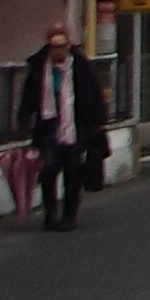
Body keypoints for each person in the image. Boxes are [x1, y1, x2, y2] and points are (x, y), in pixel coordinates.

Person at [21, 21, 106, 230]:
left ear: (69, 45)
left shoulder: (81, 67)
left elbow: (94, 96)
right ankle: (50, 214)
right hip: (48, 129)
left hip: (75, 128)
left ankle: (69, 215)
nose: (58, 50)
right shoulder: (39, 68)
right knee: (48, 171)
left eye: (62, 45)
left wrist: (98, 124)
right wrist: (23, 121)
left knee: (72, 173)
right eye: (54, 46)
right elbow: (29, 97)